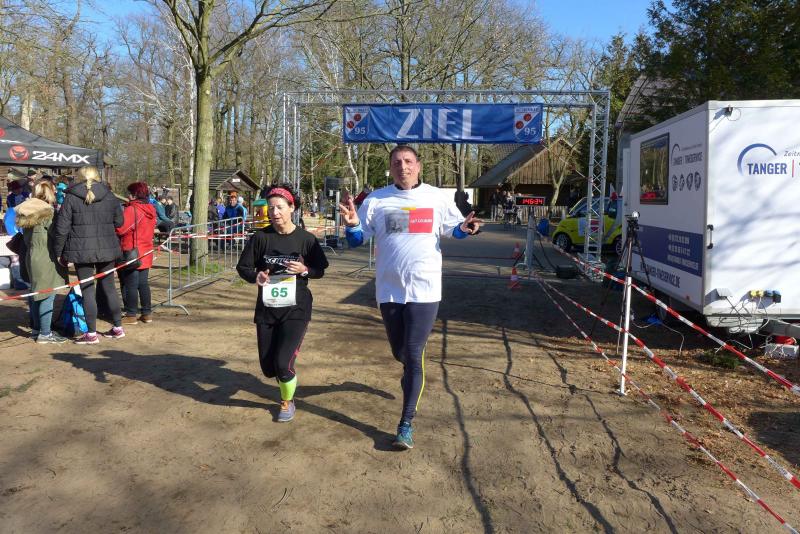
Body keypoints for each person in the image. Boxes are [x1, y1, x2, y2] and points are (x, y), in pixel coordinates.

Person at [339, 145, 482, 449]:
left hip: (425, 288)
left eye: (408, 161)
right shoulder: (377, 200)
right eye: (396, 162)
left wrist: (465, 228)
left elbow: (454, 230)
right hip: (390, 289)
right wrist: (351, 225)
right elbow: (356, 239)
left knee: (414, 354)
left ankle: (405, 424)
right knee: (400, 353)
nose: (402, 167)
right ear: (390, 168)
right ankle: (409, 372)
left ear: (418, 166)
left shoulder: (436, 197)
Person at [236, 184, 329, 423]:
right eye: (271, 208)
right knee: (269, 368)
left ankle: (287, 400)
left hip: (296, 308)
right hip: (267, 308)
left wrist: (305, 269)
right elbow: (243, 267)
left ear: (291, 208)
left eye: (279, 207)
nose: (274, 212)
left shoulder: (306, 239)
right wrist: (255, 276)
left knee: (283, 363)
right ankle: (282, 378)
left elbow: (320, 269)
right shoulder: (260, 238)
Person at [54, 165, 125, 344]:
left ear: (79, 178)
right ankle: (118, 327)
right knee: (109, 287)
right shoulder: (110, 196)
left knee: (87, 290)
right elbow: (120, 221)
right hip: (106, 248)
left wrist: (59, 252)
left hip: (81, 249)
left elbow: (62, 228)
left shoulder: (71, 197)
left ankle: (92, 334)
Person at [16, 180, 69, 343]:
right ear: (48, 193)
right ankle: (45, 333)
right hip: (45, 256)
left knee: (34, 294)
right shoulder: (47, 212)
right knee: (47, 295)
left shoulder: (26, 211)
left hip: (30, 255)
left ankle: (36, 330)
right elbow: (57, 235)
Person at [117, 182, 157, 325]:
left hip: (132, 251)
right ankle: (147, 313)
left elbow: (121, 229)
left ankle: (131, 314)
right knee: (143, 284)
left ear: (134, 195)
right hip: (146, 250)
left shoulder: (132, 209)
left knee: (131, 284)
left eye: (129, 193)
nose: (127, 195)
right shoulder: (151, 209)